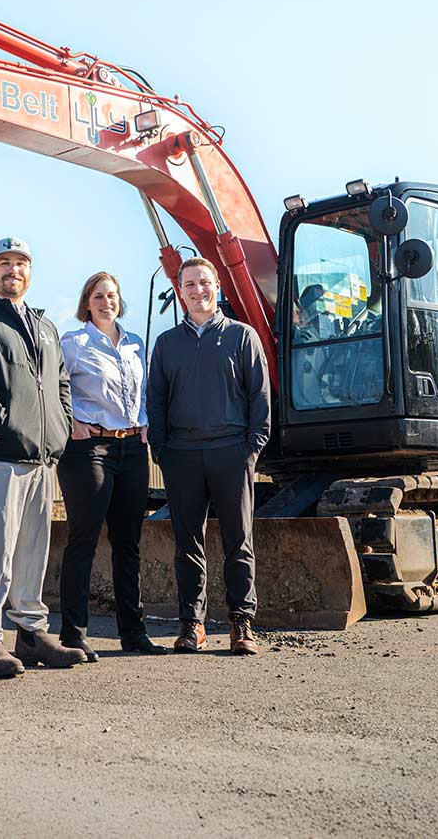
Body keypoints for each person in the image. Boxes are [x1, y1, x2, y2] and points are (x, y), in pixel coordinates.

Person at [0, 236, 86, 678]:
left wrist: (60, 427)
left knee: (31, 550)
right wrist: (4, 422)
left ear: (31, 271)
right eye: (4, 263)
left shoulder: (45, 328)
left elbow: (60, 381)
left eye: (21, 263)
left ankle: (30, 632)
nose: (13, 270)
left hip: (42, 458)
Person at [146, 257, 271, 656]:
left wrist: (251, 448)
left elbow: (260, 397)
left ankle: (241, 624)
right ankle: (192, 625)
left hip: (231, 452)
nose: (197, 290)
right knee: (187, 543)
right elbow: (157, 400)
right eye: (189, 285)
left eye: (204, 282)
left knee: (239, 540)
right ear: (179, 292)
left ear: (217, 287)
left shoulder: (242, 336)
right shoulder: (168, 344)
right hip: (182, 455)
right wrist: (163, 451)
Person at [57, 272, 168, 660]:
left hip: (132, 450)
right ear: (87, 302)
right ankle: (73, 634)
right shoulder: (73, 344)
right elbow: (53, 387)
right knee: (83, 540)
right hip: (90, 450)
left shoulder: (136, 343)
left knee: (129, 544)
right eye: (99, 296)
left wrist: (145, 422)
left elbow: (144, 392)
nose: (107, 302)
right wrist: (72, 422)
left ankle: (133, 634)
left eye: (113, 295)